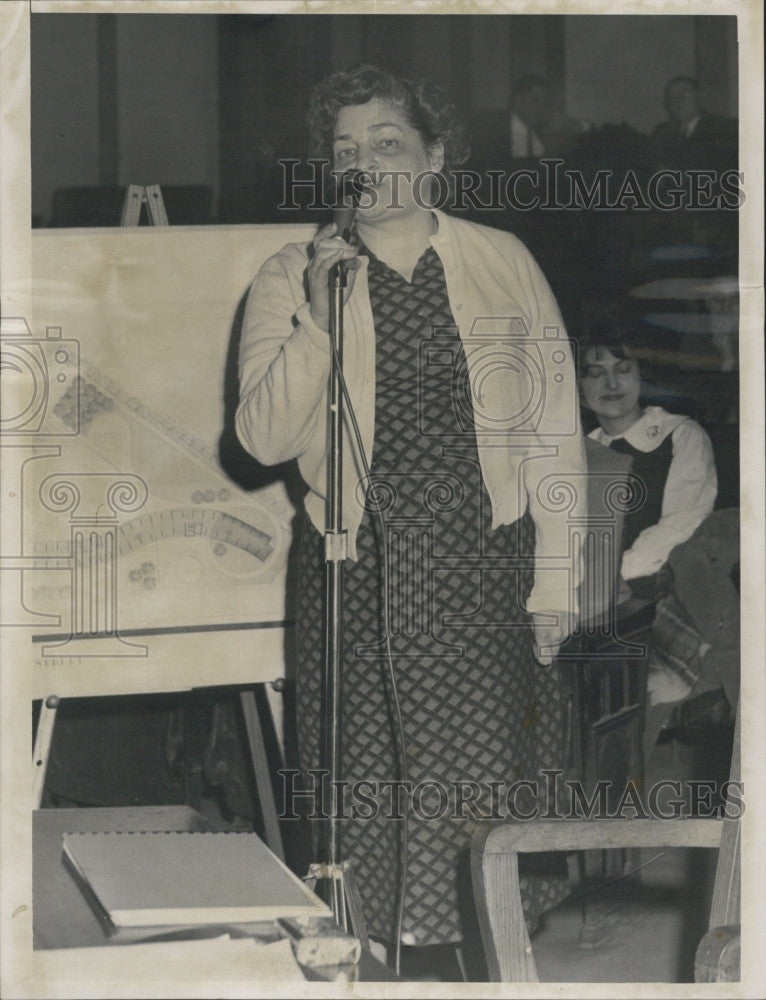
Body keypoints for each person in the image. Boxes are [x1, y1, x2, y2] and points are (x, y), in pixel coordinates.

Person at [236, 64, 586, 956]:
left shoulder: (502, 260)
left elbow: (552, 432)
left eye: (387, 142)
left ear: (433, 157)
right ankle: (381, 968)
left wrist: (556, 584)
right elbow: (263, 440)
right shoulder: (289, 275)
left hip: (483, 566)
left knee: (481, 790)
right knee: (364, 796)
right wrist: (319, 318)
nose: (367, 164)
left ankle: (482, 957)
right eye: (346, 151)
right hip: (357, 571)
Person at [577, 314, 718, 753]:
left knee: (639, 690)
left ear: (642, 373)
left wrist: (611, 575)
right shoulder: (576, 452)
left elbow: (682, 523)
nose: (612, 383)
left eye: (624, 368)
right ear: (579, 387)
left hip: (660, 595)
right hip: (591, 600)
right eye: (595, 373)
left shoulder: (680, 435)